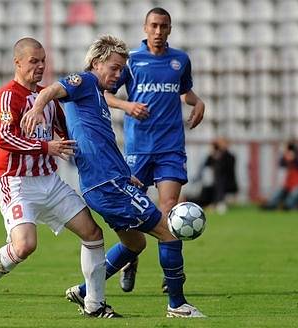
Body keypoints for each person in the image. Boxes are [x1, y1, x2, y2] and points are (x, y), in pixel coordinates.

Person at [21, 34, 205, 317]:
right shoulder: (84, 81)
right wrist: (36, 107)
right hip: (106, 185)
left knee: (135, 243)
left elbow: (104, 142)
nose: (119, 75)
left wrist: (126, 174)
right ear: (97, 63)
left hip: (110, 182)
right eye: (115, 68)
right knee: (169, 233)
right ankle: (177, 305)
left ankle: (83, 291)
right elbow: (53, 90)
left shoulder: (97, 97)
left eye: (122, 69)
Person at [0, 37, 119, 319]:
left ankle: (95, 304)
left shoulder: (47, 97)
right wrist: (47, 146)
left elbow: (66, 132)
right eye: (34, 61)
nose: (40, 66)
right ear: (17, 62)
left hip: (49, 182)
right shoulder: (8, 96)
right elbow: (3, 137)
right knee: (24, 246)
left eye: (43, 60)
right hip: (16, 182)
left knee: (93, 234)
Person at [103, 7, 205, 293]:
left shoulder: (180, 60)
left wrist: (199, 103)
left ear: (170, 29)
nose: (158, 32)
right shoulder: (132, 61)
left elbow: (185, 92)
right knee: (134, 210)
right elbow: (106, 93)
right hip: (139, 148)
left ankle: (170, 273)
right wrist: (127, 106)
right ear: (145, 28)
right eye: (154, 26)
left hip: (171, 147)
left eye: (164, 26)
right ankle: (130, 259)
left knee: (170, 209)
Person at [261, 141, 298, 210]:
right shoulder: (287, 156)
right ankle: (271, 205)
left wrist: (294, 158)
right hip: (289, 184)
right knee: (278, 192)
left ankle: (287, 206)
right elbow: (281, 163)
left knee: (295, 193)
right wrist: (287, 155)